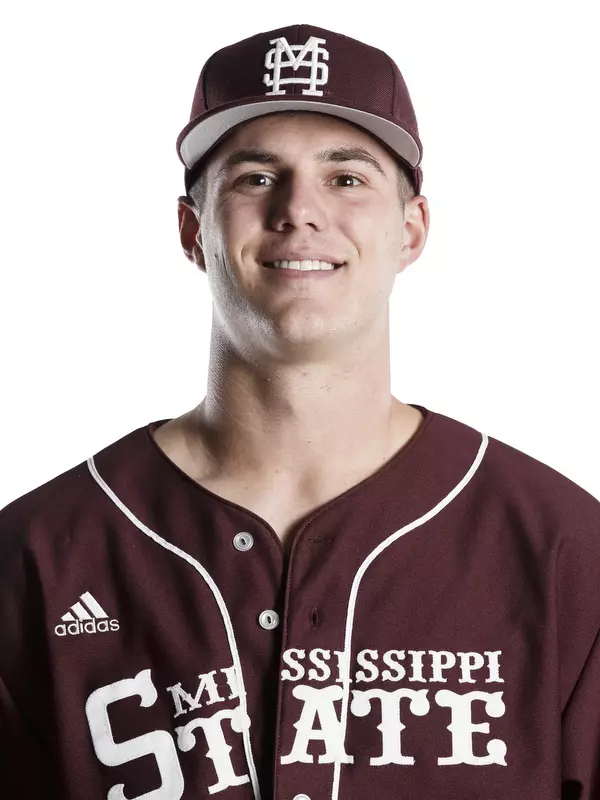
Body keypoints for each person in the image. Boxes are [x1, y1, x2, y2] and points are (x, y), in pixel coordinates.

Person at [0, 22, 599, 800]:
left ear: (412, 229)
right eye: (255, 177)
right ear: (193, 231)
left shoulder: (563, 551)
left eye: (347, 178)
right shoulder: (36, 560)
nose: (298, 211)